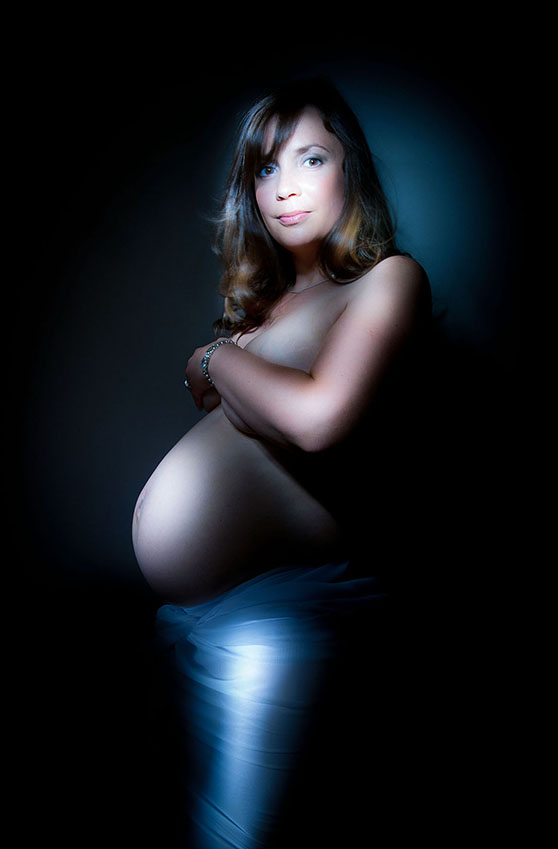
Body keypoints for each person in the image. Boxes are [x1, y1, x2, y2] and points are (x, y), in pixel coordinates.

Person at [133, 77, 432, 848]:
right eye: (265, 168)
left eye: (310, 158)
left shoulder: (386, 281)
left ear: (350, 168)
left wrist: (216, 359)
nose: (285, 186)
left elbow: (316, 419)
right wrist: (238, 359)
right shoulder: (261, 315)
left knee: (236, 837)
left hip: (280, 618)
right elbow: (250, 422)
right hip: (199, 616)